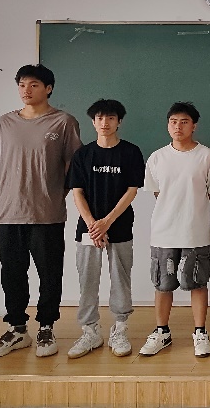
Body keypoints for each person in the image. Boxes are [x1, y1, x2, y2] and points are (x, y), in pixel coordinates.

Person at [0, 64, 82, 358]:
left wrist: (58, 195)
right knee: (12, 273)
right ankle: (17, 329)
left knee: (49, 273)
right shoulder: (4, 122)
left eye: (34, 85)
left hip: (46, 213)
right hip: (8, 212)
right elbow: (5, 161)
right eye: (22, 85)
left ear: (48, 88)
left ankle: (46, 328)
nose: (26, 90)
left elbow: (74, 166)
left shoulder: (63, 122)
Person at [139, 102, 210, 358]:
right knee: (163, 284)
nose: (178, 126)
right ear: (168, 125)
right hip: (163, 232)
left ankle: (200, 332)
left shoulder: (207, 156)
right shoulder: (157, 157)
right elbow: (157, 192)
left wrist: (190, 209)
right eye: (173, 121)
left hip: (195, 231)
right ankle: (162, 332)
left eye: (184, 122)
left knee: (197, 282)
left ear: (194, 126)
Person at [66, 99, 145, 358]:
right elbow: (77, 192)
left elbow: (132, 190)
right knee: (87, 280)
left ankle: (120, 329)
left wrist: (107, 222)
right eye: (100, 118)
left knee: (120, 279)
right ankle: (90, 331)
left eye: (110, 118)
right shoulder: (82, 155)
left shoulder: (131, 152)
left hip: (119, 227)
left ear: (119, 121)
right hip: (88, 229)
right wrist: (93, 224)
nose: (105, 123)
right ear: (93, 121)